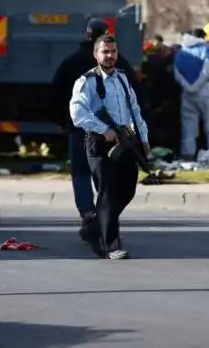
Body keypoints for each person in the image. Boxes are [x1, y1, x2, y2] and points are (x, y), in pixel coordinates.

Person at [51, 18, 139, 241]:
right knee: (106, 178)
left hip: (80, 130)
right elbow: (135, 96)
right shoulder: (120, 65)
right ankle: (104, 216)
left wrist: (63, 121)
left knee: (81, 173)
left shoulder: (71, 63)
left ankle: (89, 214)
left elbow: (57, 93)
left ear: (86, 35)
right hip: (108, 134)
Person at [70, 34, 150, 259]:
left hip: (124, 140)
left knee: (128, 188)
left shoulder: (122, 78)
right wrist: (102, 129)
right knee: (108, 192)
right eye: (105, 51)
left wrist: (143, 139)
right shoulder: (87, 81)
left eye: (113, 51)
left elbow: (135, 110)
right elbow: (78, 114)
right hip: (99, 142)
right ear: (96, 54)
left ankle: (93, 227)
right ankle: (110, 245)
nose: (110, 56)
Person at [173, 29, 209, 158]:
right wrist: (196, 85)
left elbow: (177, 73)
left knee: (188, 125)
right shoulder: (207, 49)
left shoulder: (181, 51)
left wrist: (188, 86)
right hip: (205, 91)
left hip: (187, 93)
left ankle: (188, 153)